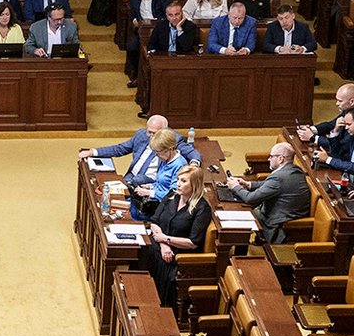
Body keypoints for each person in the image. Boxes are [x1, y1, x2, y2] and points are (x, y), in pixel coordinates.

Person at [141, 163, 212, 304]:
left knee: (161, 264)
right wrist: (163, 244)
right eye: (178, 179)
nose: (178, 184)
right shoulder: (172, 195)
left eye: (183, 181)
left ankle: (155, 307)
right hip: (161, 244)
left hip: (179, 253)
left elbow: (193, 243)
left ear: (195, 185)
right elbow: (154, 221)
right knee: (141, 250)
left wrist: (166, 240)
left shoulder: (202, 209)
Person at [223, 142, 311, 243]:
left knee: (240, 212)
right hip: (285, 212)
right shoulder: (294, 170)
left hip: (278, 222)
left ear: (280, 159)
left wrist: (235, 187)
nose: (269, 159)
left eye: (271, 156)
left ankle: (239, 245)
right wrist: (248, 184)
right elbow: (268, 184)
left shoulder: (279, 178)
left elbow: (250, 199)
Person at [123, 128, 190, 218]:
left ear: (170, 149)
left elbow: (174, 194)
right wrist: (151, 186)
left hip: (162, 208)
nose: (156, 155)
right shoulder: (164, 159)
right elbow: (161, 183)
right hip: (154, 201)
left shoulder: (179, 165)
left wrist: (150, 192)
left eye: (158, 152)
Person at [296, 83, 354, 154]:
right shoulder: (351, 107)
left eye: (340, 101)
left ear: (352, 101)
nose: (337, 104)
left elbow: (344, 144)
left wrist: (313, 138)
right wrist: (312, 129)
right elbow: (332, 124)